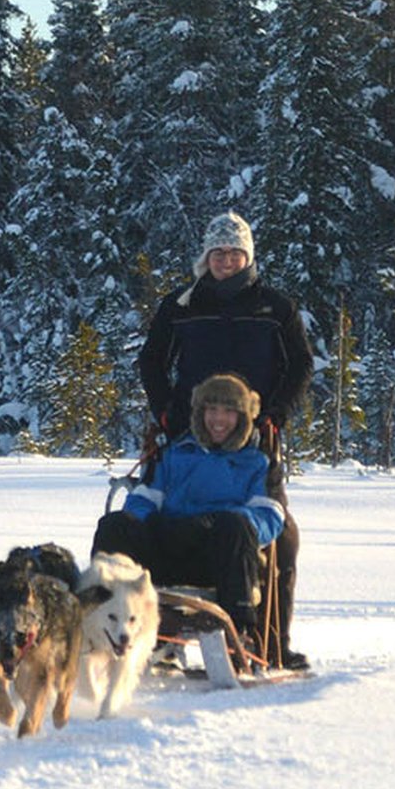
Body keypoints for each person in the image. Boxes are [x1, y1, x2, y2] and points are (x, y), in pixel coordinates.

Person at [137, 212, 312, 667]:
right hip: (187, 432)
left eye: (234, 253)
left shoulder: (274, 307)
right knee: (163, 514)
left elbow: (300, 365)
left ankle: (270, 643)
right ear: (206, 257)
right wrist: (165, 410)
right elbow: (152, 361)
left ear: (247, 257)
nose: (226, 261)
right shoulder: (182, 305)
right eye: (218, 253)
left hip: (254, 435)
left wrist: (275, 413)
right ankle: (157, 630)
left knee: (279, 537)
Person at [92, 372, 285, 649]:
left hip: (218, 556)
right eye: (212, 409)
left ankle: (239, 632)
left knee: (235, 526)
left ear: (243, 417)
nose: (218, 419)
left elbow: (270, 517)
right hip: (166, 549)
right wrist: (154, 524)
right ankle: (98, 617)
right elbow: (141, 500)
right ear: (200, 413)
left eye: (229, 411)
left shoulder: (257, 463)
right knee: (114, 525)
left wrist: (219, 521)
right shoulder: (174, 454)